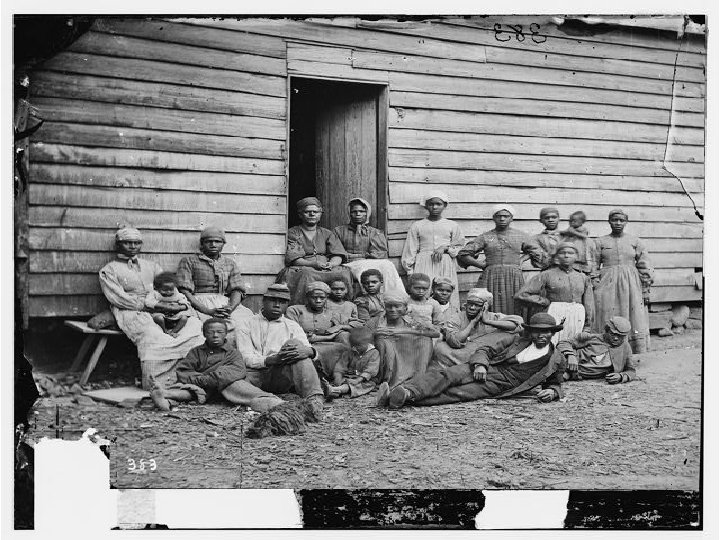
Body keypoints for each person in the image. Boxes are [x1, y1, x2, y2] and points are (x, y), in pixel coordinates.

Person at [376, 313, 566, 409]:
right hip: (486, 368)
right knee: (447, 375)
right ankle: (408, 391)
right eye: (537, 331)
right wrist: (481, 365)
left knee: (458, 393)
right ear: (530, 332)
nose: (542, 335)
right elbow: (485, 350)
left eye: (547, 332)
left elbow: (555, 383)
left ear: (553, 333)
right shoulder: (516, 340)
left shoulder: (556, 359)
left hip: (501, 384)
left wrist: (552, 392)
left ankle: (402, 399)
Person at [98, 227, 205, 390]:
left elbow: (169, 287)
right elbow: (118, 298)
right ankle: (158, 383)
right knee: (153, 334)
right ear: (118, 245)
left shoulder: (152, 266)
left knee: (194, 326)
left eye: (137, 243)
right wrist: (149, 306)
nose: (132, 246)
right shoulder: (109, 270)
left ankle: (188, 377)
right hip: (131, 310)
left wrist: (177, 305)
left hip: (162, 306)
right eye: (127, 243)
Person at [151, 318, 285, 412]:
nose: (215, 335)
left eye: (219, 332)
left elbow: (237, 370)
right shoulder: (196, 352)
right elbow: (184, 371)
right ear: (204, 334)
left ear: (226, 334)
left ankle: (266, 400)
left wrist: (213, 378)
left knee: (238, 385)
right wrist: (201, 380)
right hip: (202, 387)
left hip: (225, 385)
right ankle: (165, 395)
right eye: (211, 332)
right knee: (190, 390)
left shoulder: (232, 352)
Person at [235, 284, 325, 415]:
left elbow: (305, 350)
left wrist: (310, 351)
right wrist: (270, 360)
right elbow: (245, 356)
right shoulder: (246, 324)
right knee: (231, 382)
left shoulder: (292, 326)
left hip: (280, 376)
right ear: (264, 301)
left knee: (295, 344)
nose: (277, 305)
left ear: (287, 305)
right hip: (254, 376)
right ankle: (271, 401)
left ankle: (314, 399)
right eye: (273, 300)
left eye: (282, 302)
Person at [457, 204, 546, 316]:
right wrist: (480, 265)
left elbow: (536, 250)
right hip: (491, 276)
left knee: (514, 302)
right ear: (493, 218)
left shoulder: (520, 235)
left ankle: (514, 325)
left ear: (511, 218)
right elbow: (463, 254)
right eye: (498, 216)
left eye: (506, 216)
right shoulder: (486, 236)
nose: (502, 219)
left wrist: (522, 260)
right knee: (490, 303)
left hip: (513, 275)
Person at [176, 226, 253, 345]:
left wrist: (230, 308)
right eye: (209, 241)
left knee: (245, 322)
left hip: (224, 303)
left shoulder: (229, 264)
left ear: (223, 244)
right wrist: (207, 311)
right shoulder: (189, 261)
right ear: (202, 244)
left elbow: (237, 289)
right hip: (197, 303)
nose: (213, 245)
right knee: (195, 328)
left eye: (217, 241)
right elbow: (184, 290)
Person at [593, 209, 654, 353]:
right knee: (607, 312)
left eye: (621, 220)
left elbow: (644, 265)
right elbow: (593, 265)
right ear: (609, 221)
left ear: (626, 222)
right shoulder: (600, 242)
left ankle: (633, 349)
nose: (618, 223)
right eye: (614, 220)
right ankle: (607, 348)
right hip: (607, 283)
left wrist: (645, 289)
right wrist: (595, 283)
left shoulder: (635, 241)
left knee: (633, 313)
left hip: (631, 283)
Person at [276, 197, 353, 306]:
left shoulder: (327, 233)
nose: (312, 214)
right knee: (307, 274)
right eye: (307, 212)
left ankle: (342, 307)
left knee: (344, 273)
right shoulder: (294, 233)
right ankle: (303, 307)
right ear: (300, 215)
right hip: (304, 266)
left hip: (326, 267)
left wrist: (331, 264)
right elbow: (295, 259)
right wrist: (313, 264)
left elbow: (337, 254)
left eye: (315, 212)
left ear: (320, 214)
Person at [514, 242, 595, 344]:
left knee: (574, 344)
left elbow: (589, 305)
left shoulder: (583, 277)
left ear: (576, 257)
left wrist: (587, 327)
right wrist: (543, 301)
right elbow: (521, 295)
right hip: (555, 314)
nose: (566, 256)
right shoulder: (547, 275)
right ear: (557, 256)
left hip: (577, 316)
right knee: (554, 343)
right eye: (562, 253)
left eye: (570, 253)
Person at [401, 191, 465, 308]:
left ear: (444, 205)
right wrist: (409, 271)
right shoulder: (417, 225)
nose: (434, 207)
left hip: (444, 262)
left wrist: (445, 248)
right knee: (424, 290)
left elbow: (460, 246)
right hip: (423, 262)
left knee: (444, 290)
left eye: (438, 204)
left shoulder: (452, 225)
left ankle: (448, 316)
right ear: (426, 206)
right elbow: (410, 248)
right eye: (431, 204)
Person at [433, 288, 523, 369]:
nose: (472, 307)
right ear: (466, 304)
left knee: (510, 336)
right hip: (463, 352)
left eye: (477, 305)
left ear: (485, 306)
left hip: (486, 351)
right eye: (470, 304)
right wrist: (473, 322)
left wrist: (487, 321)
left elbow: (518, 324)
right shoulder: (457, 317)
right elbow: (455, 342)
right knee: (440, 348)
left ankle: (477, 363)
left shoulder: (493, 317)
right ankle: (476, 364)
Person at [333, 197, 405, 294]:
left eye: (361, 211)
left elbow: (379, 254)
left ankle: (395, 295)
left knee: (388, 265)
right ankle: (367, 297)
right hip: (348, 265)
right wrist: (363, 256)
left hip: (369, 262)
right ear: (349, 213)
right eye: (354, 211)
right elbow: (337, 252)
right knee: (363, 270)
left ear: (367, 213)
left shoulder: (375, 232)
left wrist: (359, 256)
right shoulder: (339, 231)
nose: (358, 214)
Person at [369, 292, 441, 388]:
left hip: (407, 353)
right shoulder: (377, 321)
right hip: (385, 361)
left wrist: (401, 331)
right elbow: (363, 338)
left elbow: (436, 333)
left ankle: (417, 378)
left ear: (405, 308)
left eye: (397, 306)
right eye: (389, 306)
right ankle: (390, 381)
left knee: (425, 340)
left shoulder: (411, 320)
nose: (393, 310)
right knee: (383, 342)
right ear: (384, 307)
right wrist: (376, 334)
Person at [285, 281, 353, 377]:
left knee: (344, 336)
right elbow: (291, 332)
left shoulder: (332, 313)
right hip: (304, 344)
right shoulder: (295, 310)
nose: (318, 301)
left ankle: (339, 371)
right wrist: (328, 337)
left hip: (327, 346)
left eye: (322, 298)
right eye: (314, 297)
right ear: (307, 297)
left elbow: (357, 325)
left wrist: (341, 326)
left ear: (327, 298)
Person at [557, 316, 637, 384]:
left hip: (580, 376)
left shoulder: (625, 347)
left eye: (620, 336)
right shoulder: (592, 338)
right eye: (612, 334)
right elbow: (563, 343)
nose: (616, 338)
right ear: (606, 331)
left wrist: (620, 376)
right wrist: (571, 355)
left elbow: (631, 371)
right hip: (566, 367)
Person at [324, 327, 381, 399]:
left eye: (359, 346)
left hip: (365, 380)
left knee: (361, 386)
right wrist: (337, 378)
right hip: (349, 377)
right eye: (353, 346)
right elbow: (340, 366)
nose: (356, 348)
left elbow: (370, 370)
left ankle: (336, 390)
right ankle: (335, 389)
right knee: (341, 382)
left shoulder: (374, 353)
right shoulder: (349, 352)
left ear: (368, 343)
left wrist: (358, 380)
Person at [145, 271, 192, 336]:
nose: (168, 292)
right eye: (165, 290)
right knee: (159, 318)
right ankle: (164, 331)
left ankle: (173, 331)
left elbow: (185, 302)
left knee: (184, 318)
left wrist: (179, 307)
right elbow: (148, 302)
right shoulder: (155, 293)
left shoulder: (176, 294)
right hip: (161, 313)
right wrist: (162, 305)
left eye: (171, 290)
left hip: (174, 314)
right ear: (157, 288)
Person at [559, 210, 597, 275]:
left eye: (574, 221)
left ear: (582, 222)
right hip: (572, 263)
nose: (571, 223)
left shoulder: (583, 230)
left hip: (583, 261)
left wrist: (574, 232)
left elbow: (584, 236)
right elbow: (563, 232)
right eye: (570, 221)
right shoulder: (569, 232)